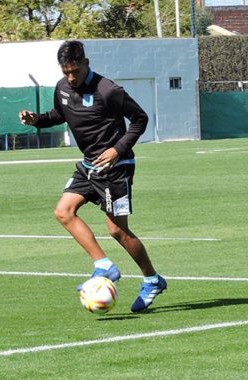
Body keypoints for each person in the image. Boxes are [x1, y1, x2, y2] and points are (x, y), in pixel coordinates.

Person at [19, 40, 166, 312]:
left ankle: (152, 280)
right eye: (66, 72)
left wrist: (116, 149)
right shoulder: (62, 87)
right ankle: (103, 265)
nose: (71, 77)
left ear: (86, 63)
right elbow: (59, 114)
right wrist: (37, 120)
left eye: (75, 70)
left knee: (117, 230)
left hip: (115, 166)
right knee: (63, 212)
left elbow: (140, 120)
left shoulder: (108, 90)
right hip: (88, 166)